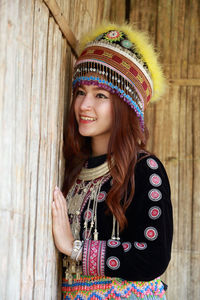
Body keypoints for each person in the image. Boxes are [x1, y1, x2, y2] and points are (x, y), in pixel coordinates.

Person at [51, 23, 173, 300]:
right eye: (80, 92)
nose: (84, 105)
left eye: (100, 95)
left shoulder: (144, 170)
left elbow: (154, 256)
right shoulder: (74, 168)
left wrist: (75, 248)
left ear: (126, 106)